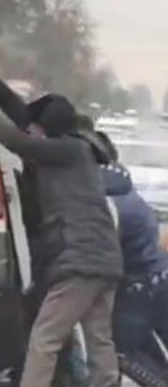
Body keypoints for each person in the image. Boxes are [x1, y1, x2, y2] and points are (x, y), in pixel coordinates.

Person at [0, 88, 123, 387]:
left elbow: (20, 142)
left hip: (80, 260)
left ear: (48, 127)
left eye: (36, 127)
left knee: (45, 337)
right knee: (99, 338)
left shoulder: (65, 151)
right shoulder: (79, 151)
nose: (32, 131)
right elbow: (23, 121)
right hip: (104, 260)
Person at [95, 131, 168, 385]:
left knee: (123, 350)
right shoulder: (124, 186)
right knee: (149, 343)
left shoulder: (106, 196)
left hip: (137, 285)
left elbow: (106, 250)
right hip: (160, 276)